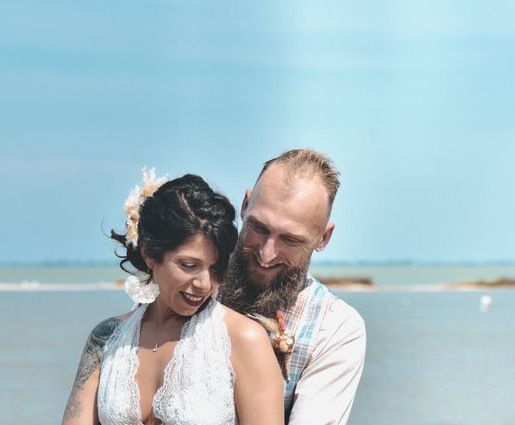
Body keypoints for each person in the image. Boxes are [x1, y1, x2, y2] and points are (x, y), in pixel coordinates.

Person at [62, 171, 284, 425]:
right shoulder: (105, 340)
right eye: (189, 265)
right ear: (150, 255)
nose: (204, 283)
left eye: (216, 268)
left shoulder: (245, 339)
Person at [221, 149, 366, 424]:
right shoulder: (190, 285)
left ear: (323, 238)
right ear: (244, 206)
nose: (266, 253)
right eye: (259, 227)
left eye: (290, 239)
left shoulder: (335, 328)